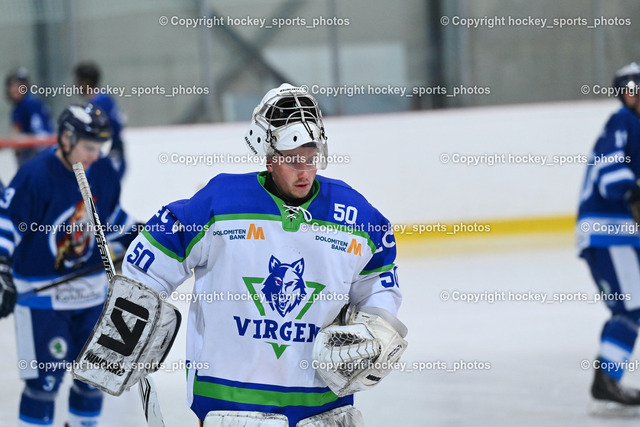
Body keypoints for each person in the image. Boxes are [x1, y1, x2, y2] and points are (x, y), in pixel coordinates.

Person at [121, 84, 408, 426]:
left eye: (311, 158)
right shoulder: (220, 204)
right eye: (293, 160)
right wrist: (130, 317)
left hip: (322, 409)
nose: (305, 171)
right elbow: (155, 258)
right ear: (270, 158)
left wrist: (376, 326)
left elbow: (379, 280)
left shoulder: (355, 215)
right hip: (232, 407)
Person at [0, 103, 138, 426]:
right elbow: (7, 223)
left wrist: (143, 235)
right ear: (66, 138)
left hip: (92, 297)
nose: (94, 155)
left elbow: (112, 222)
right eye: (88, 148)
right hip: (41, 301)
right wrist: (2, 269)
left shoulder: (102, 172)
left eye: (99, 148)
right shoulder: (35, 176)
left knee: (94, 378)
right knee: (43, 386)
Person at [578, 62, 640, 414]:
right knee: (632, 306)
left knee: (631, 306)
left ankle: (608, 379)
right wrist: (631, 191)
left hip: (617, 234)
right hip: (609, 231)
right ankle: (607, 380)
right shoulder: (623, 121)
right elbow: (609, 170)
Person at [74, 61, 127, 179]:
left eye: (78, 81)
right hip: (111, 157)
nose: (76, 85)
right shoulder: (104, 99)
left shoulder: (99, 104)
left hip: (110, 158)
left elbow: (112, 131)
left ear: (85, 82)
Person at [5, 67, 54, 167]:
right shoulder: (19, 108)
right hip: (31, 158)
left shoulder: (30, 104)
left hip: (39, 158)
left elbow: (41, 136)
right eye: (11, 85)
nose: (13, 89)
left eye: (18, 84)